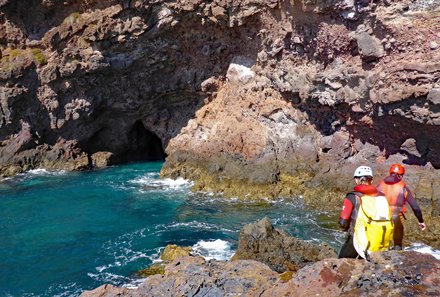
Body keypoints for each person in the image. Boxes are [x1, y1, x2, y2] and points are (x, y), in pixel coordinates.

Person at [377, 164, 426, 250]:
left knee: (380, 243)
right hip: (396, 217)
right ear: (400, 175)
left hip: (380, 216)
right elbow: (415, 207)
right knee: (397, 245)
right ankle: (397, 254)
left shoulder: (380, 185)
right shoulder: (403, 187)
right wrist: (421, 221)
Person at [338, 166, 382, 258]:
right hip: (378, 236)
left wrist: (344, 228)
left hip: (357, 236)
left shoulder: (352, 196)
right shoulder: (381, 196)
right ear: (371, 180)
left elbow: (343, 221)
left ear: (356, 180)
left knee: (342, 263)